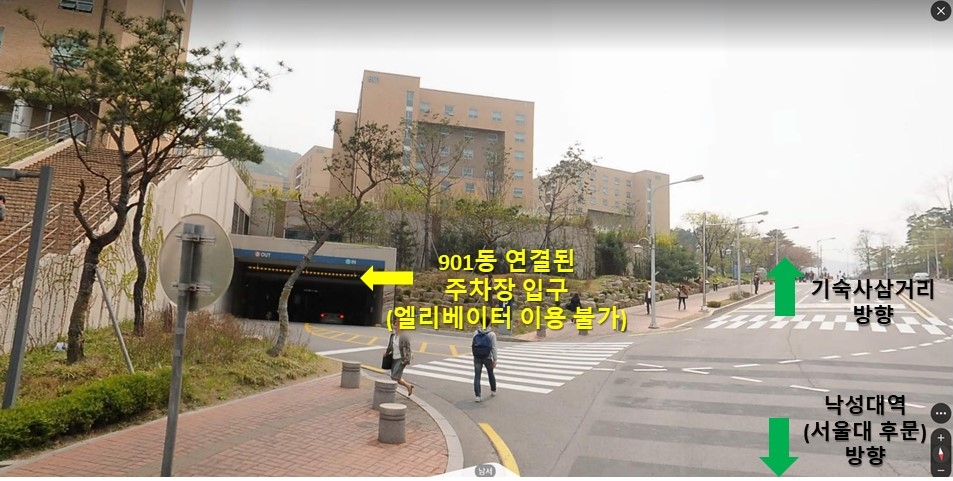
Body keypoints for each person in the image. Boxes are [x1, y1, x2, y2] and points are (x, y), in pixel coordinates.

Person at [385, 323, 414, 397]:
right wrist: (386, 353)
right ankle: (408, 386)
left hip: (401, 359)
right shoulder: (393, 335)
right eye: (394, 325)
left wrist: (406, 360)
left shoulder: (404, 337)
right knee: (397, 377)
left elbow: (408, 348)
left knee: (394, 377)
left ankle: (390, 394)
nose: (394, 326)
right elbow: (390, 346)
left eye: (396, 325)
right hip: (394, 358)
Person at [472, 321, 498, 403]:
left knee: (477, 376)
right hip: (487, 357)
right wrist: (495, 359)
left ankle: (478, 396)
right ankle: (493, 390)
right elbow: (494, 348)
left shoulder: (476, 333)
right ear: (489, 324)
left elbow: (473, 345)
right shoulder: (492, 334)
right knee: (490, 373)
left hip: (477, 357)